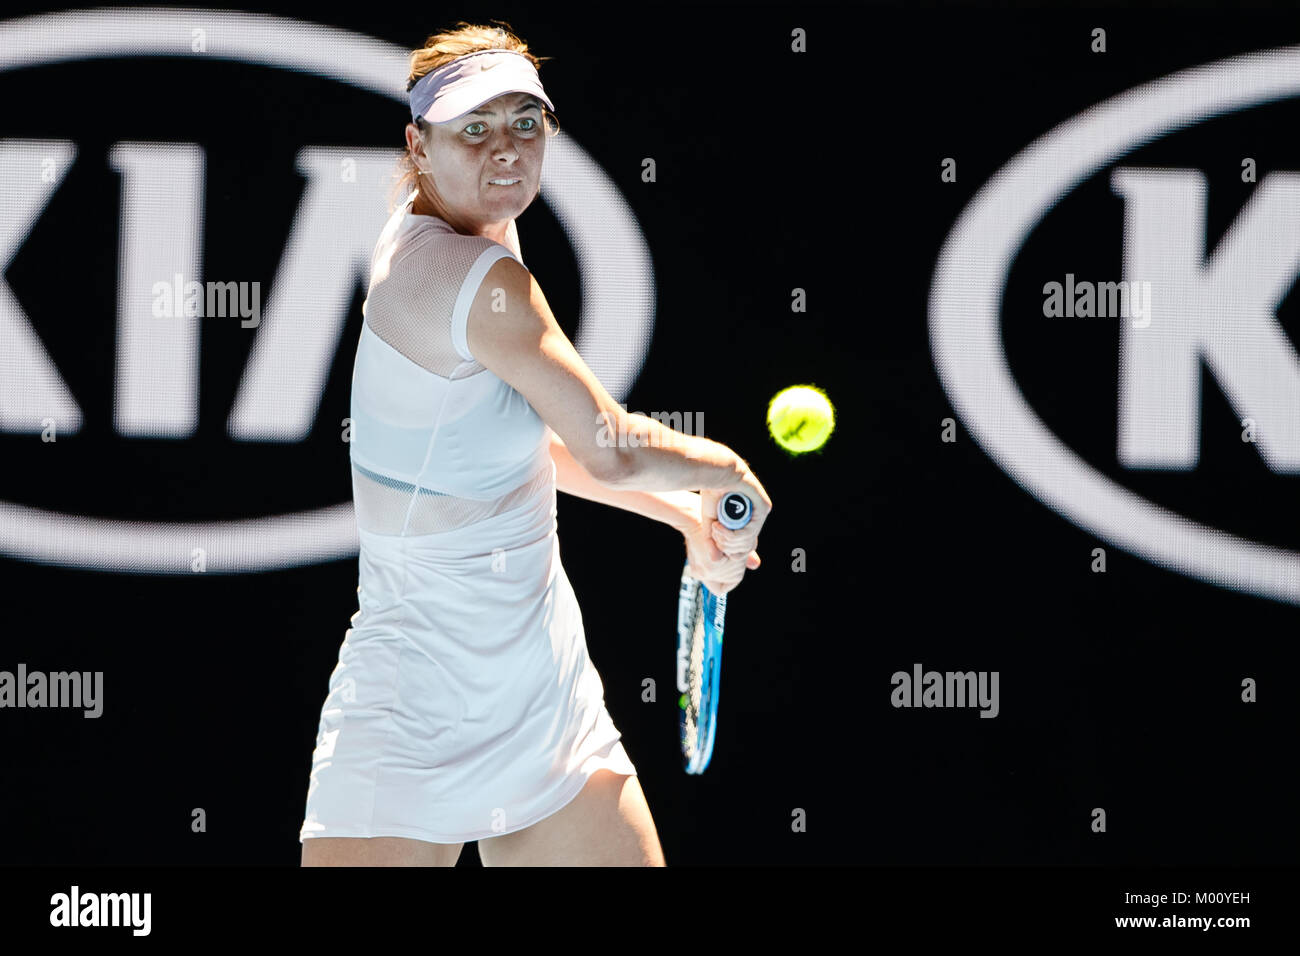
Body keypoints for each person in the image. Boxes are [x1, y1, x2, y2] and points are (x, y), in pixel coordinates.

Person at [298, 21, 771, 867]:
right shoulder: (470, 278)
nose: (505, 149)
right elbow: (609, 446)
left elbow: (522, 456)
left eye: (525, 122)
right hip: (412, 706)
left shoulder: (472, 232)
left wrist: (684, 519)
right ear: (418, 143)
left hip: (541, 694)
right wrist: (724, 472)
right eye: (473, 129)